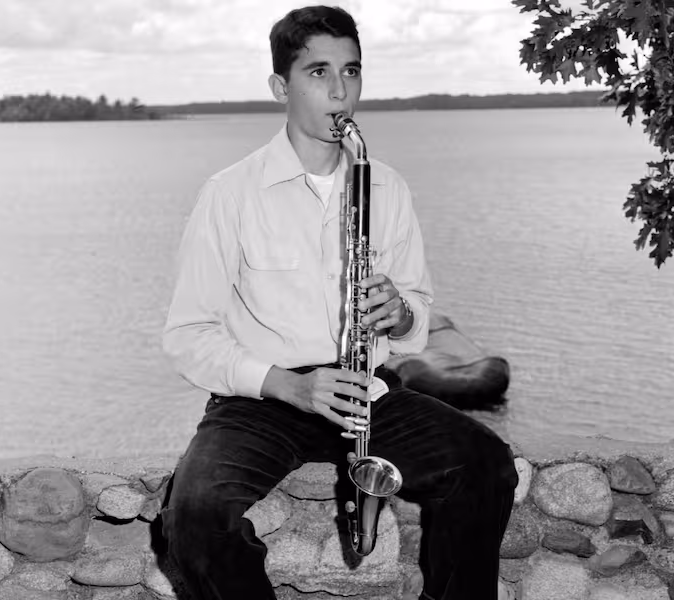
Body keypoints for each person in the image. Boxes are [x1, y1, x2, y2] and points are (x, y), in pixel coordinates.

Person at [161, 5, 518, 599]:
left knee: (486, 465)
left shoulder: (387, 187)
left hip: (366, 387)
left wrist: (401, 314)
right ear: (281, 86)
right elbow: (189, 333)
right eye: (318, 73)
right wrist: (290, 386)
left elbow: (416, 315)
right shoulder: (229, 194)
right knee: (195, 516)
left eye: (351, 72)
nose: (340, 91)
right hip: (264, 398)